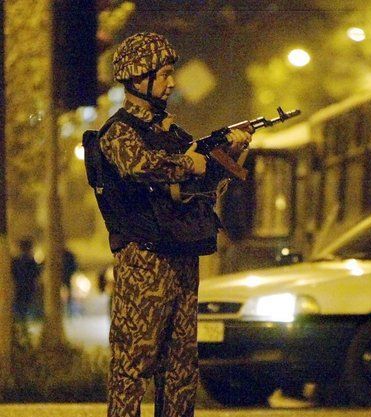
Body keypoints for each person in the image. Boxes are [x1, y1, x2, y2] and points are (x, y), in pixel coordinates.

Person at [96, 32, 252, 417]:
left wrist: (228, 156)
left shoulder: (173, 135)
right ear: (138, 77)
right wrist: (188, 163)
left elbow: (203, 186)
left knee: (181, 367)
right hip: (145, 260)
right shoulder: (119, 133)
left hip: (181, 253)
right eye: (164, 74)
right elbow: (138, 166)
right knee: (134, 364)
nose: (172, 82)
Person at [11, 238, 42, 322]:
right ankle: (23, 325)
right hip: (28, 288)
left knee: (18, 308)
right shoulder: (32, 262)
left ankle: (20, 325)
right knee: (25, 308)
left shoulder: (15, 261)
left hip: (18, 288)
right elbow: (36, 274)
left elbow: (12, 274)